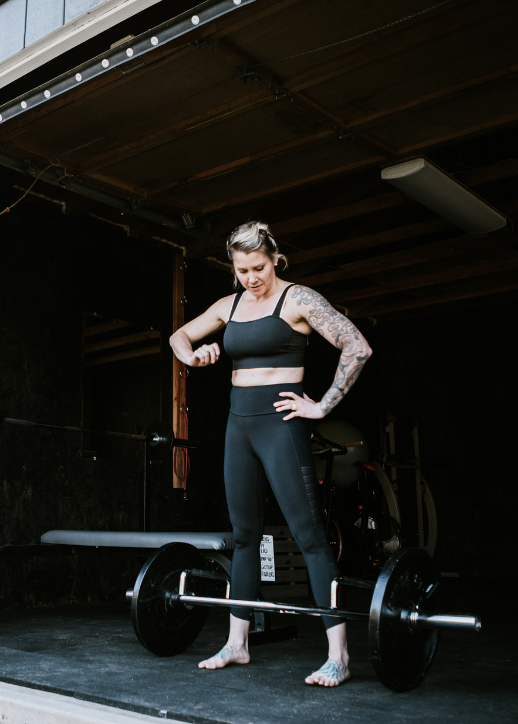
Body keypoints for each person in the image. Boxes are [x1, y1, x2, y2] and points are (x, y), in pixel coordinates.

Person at [169, 221, 372, 688]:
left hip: (281, 427)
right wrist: (192, 358)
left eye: (258, 267)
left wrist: (321, 405)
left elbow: (357, 346)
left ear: (275, 258)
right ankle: (237, 644)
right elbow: (180, 336)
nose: (250, 278)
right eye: (241, 270)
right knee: (244, 536)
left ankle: (338, 656)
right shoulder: (231, 304)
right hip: (238, 426)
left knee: (311, 538)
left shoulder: (298, 300)